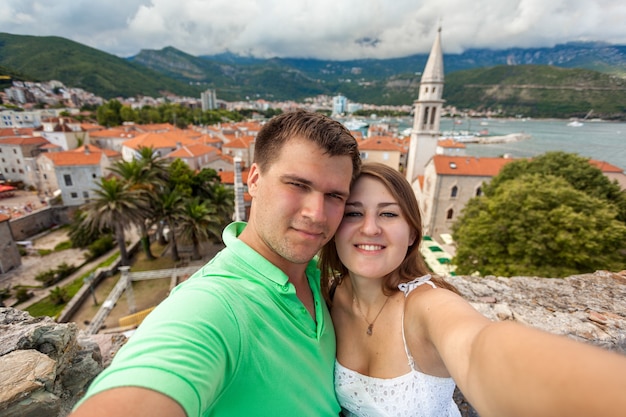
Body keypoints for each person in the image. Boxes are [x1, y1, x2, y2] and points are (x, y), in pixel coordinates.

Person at [70, 110, 362, 417]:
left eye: (334, 196)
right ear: (254, 180)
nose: (317, 213)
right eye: (297, 185)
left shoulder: (319, 279)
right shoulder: (211, 305)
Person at [319, 162, 626, 417]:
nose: (370, 228)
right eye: (354, 213)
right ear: (334, 228)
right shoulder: (330, 296)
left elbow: (481, 348)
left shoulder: (427, 306)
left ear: (412, 233)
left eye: (388, 213)